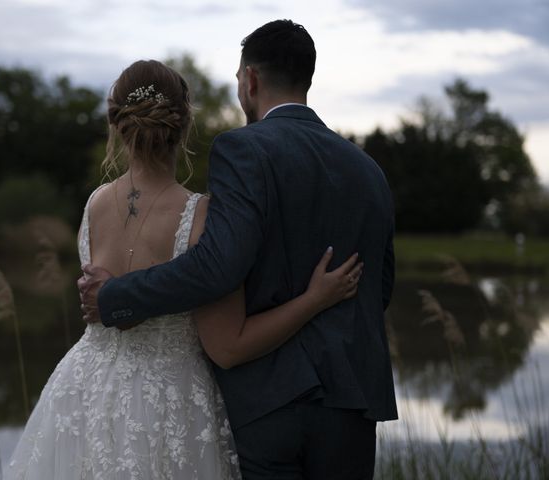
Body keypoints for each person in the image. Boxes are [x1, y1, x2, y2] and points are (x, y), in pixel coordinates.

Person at [5, 59, 362, 480]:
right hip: (171, 402)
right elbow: (229, 347)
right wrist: (313, 300)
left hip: (83, 392)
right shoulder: (202, 217)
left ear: (115, 124)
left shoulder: (94, 204)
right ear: (185, 123)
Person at [79, 19, 397, 480]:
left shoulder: (243, 149)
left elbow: (216, 267)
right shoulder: (368, 170)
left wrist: (115, 296)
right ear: (306, 77)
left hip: (268, 401)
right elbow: (379, 287)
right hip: (351, 402)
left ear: (249, 80)